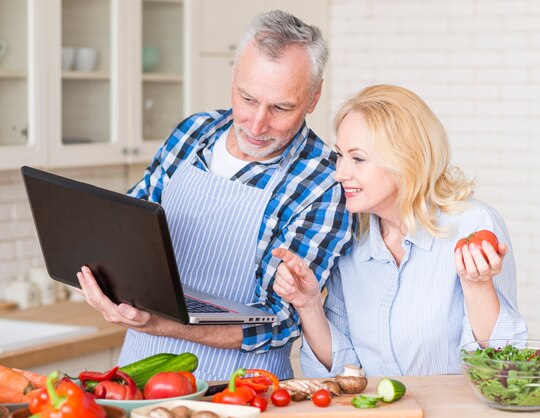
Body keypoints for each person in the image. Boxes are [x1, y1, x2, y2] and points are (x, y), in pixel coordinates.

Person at [76, 10, 352, 381]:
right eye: (248, 98)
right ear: (234, 76)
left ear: (314, 97)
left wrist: (163, 325)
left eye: (281, 108)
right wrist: (103, 280)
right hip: (137, 378)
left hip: (243, 391)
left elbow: (281, 321)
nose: (257, 124)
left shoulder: (323, 182)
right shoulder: (193, 132)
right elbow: (130, 225)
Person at [273, 85, 528, 377]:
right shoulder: (352, 238)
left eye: (358, 158)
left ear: (405, 160)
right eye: (340, 155)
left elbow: (505, 368)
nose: (340, 173)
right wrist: (308, 305)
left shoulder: (472, 225)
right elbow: (342, 373)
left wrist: (477, 285)